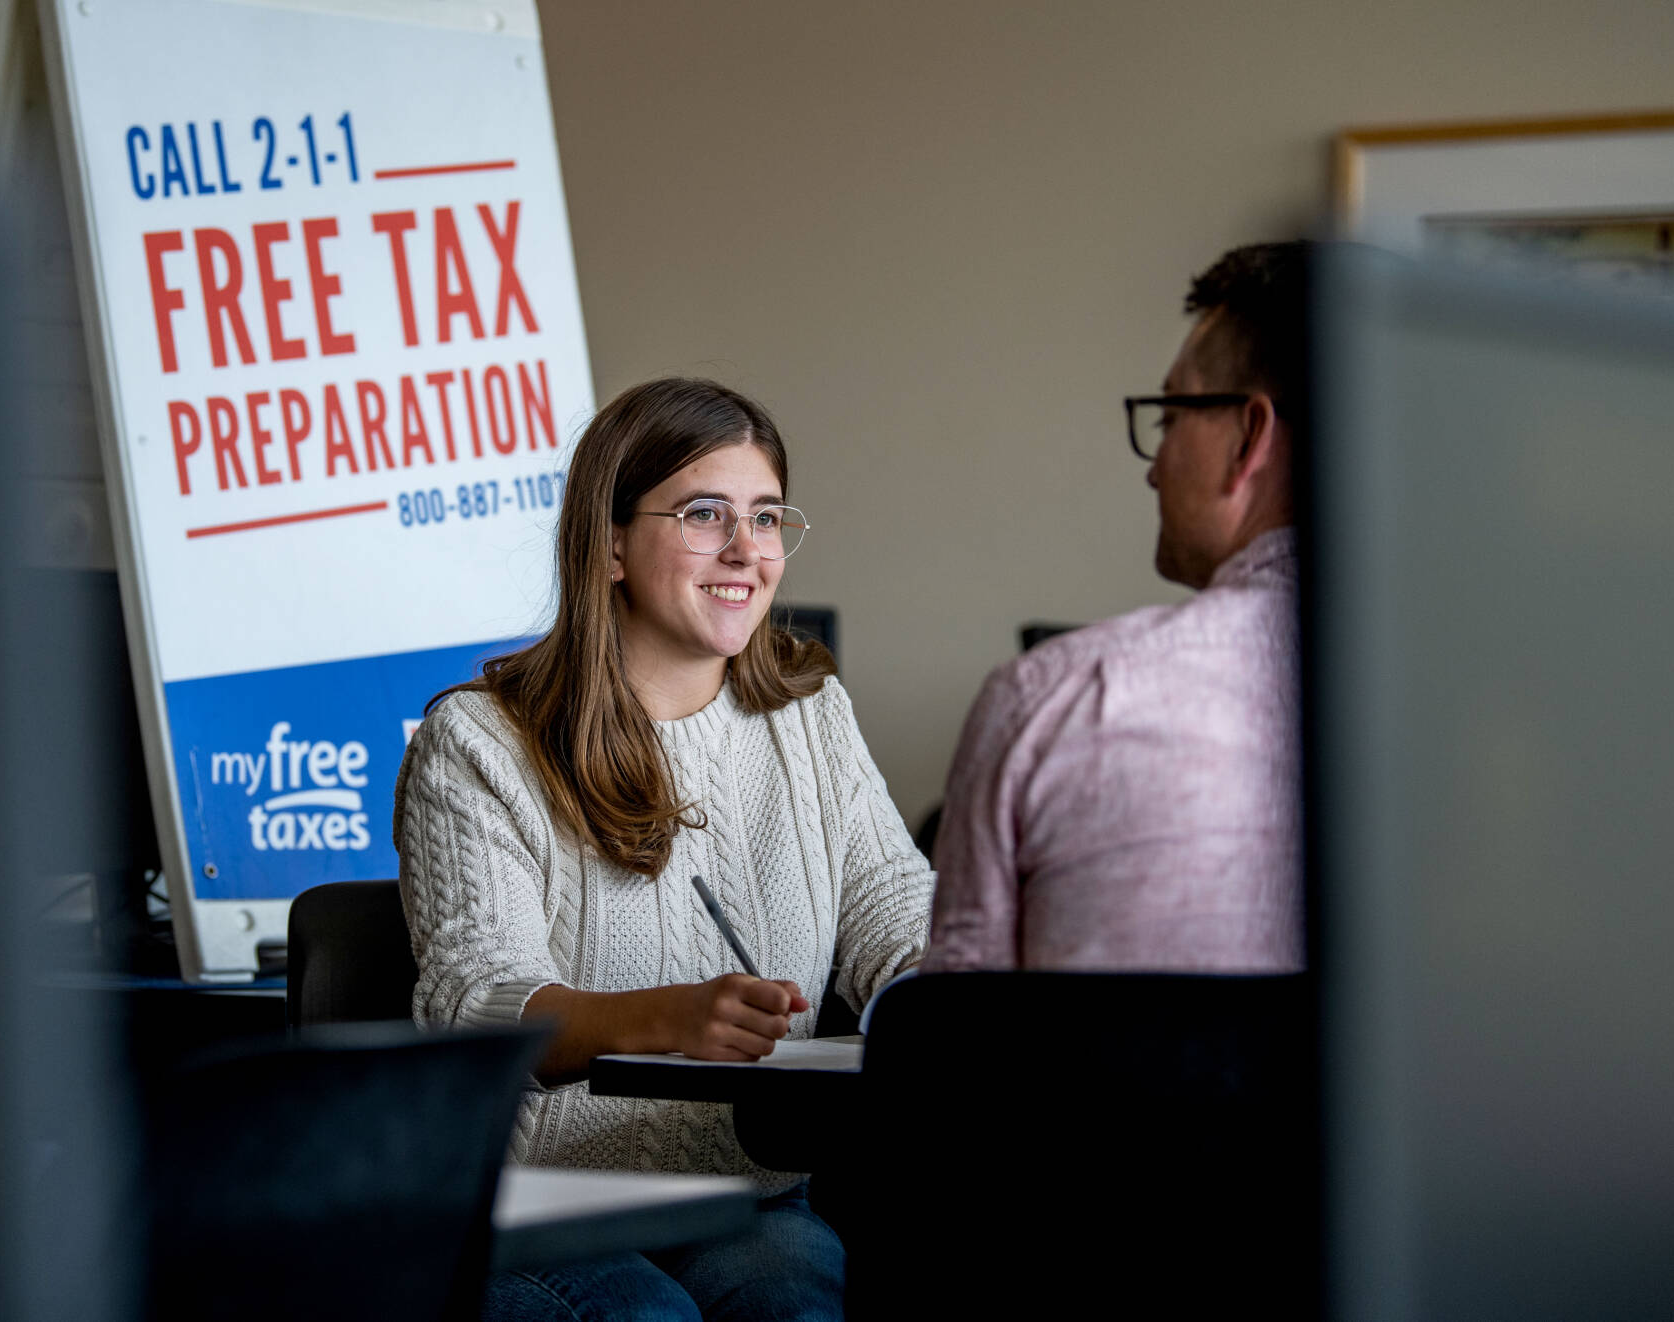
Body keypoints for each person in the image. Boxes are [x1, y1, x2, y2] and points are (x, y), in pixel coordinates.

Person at [394, 377, 932, 1321]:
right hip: (537, 1203)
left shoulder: (809, 717)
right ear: (607, 545)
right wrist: (664, 1019)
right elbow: (475, 1004)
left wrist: (945, 993)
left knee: (799, 1307)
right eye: (703, 514)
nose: (744, 552)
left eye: (765, 518)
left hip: (748, 1193)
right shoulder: (480, 742)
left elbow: (894, 907)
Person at [925, 241, 1308, 973]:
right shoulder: (1532, 727)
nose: (1155, 470)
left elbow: (961, 1056)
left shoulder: (1054, 700)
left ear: (1250, 439)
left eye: (1169, 418)